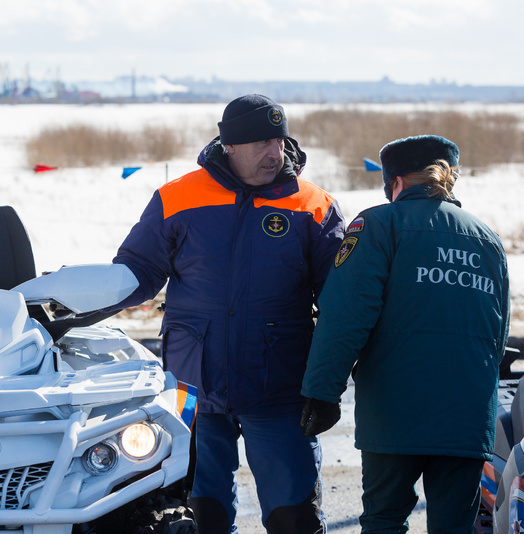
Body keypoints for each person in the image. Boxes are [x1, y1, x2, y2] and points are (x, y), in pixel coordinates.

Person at [109, 94, 345, 533]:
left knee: (295, 518)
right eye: (260, 143)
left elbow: (340, 305)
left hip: (279, 388)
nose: (274, 153)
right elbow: (136, 272)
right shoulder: (177, 198)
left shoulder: (314, 206)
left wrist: (326, 384)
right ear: (228, 145)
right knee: (197, 517)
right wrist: (77, 300)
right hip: (190, 391)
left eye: (279, 140)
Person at [300, 135, 510, 533]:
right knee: (455, 525)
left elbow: (345, 316)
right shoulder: (488, 241)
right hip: (467, 414)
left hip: (395, 412)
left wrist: (322, 392)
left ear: (394, 181)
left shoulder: (378, 225)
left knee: (385, 519)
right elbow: (497, 336)